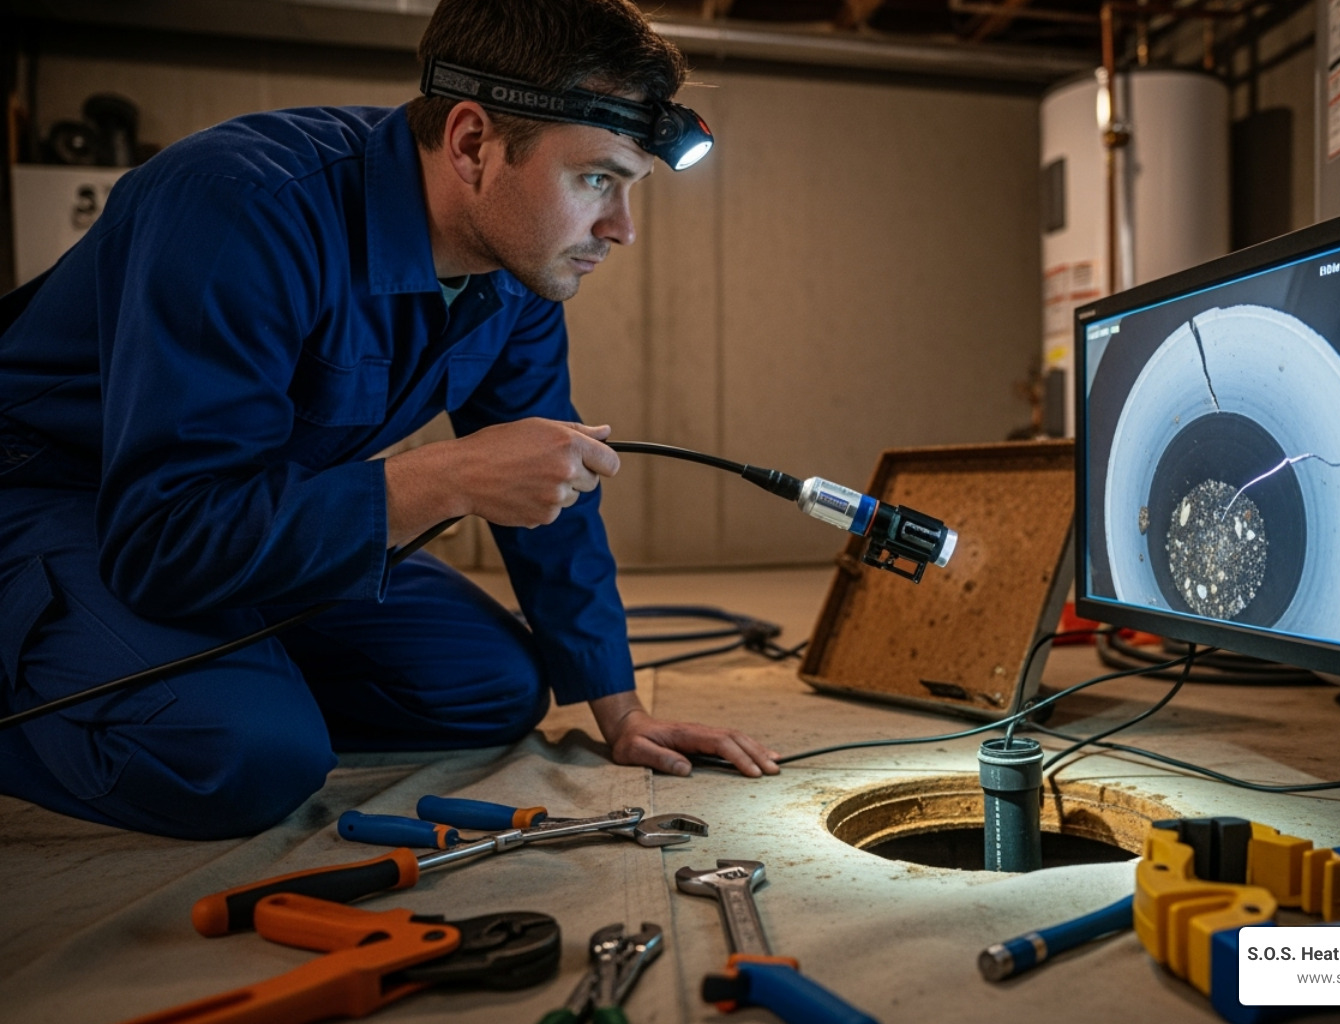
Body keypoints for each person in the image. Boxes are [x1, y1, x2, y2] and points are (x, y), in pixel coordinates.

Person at [0, 0, 778, 841]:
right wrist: (443, 478)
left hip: (247, 516)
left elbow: (557, 473)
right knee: (240, 756)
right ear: (472, 144)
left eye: (630, 188)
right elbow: (163, 536)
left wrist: (620, 709)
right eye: (597, 180)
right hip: (59, 498)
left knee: (495, 686)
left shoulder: (514, 265)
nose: (621, 229)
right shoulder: (240, 207)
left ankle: (201, 666)